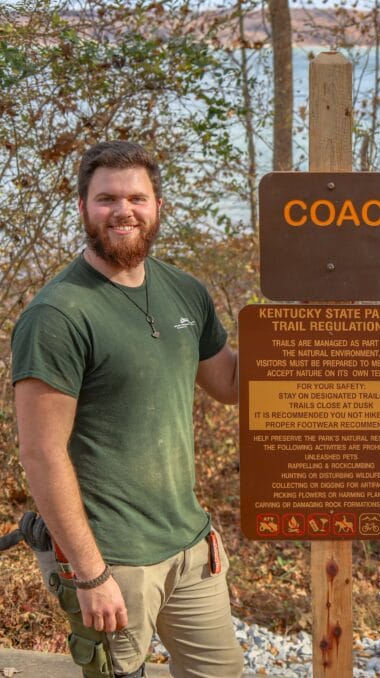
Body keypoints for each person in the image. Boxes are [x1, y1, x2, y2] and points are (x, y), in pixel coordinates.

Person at [12, 141, 244, 678]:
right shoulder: (57, 315)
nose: (124, 211)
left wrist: (296, 325)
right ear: (83, 208)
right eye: (107, 199)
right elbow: (42, 453)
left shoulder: (184, 291)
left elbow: (229, 383)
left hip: (190, 546)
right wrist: (90, 575)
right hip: (112, 558)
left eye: (137, 197)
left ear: (158, 205)